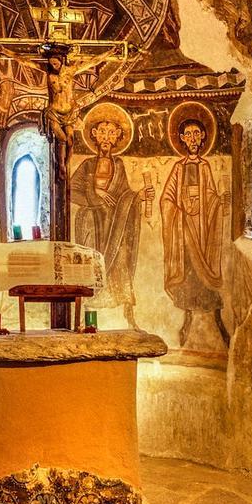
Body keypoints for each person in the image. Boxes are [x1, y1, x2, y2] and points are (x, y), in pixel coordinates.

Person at [71, 111, 152, 327]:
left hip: (115, 225)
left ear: (117, 137)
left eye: (111, 133)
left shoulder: (119, 166)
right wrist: (96, 197)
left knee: (121, 262)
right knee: (90, 266)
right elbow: (71, 190)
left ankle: (129, 315)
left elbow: (124, 194)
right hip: (91, 223)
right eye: (102, 133)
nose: (106, 138)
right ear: (95, 135)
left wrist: (138, 196)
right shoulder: (88, 165)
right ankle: (86, 316)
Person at [160, 116, 230, 347]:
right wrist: (179, 210)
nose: (192, 138)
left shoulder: (205, 166)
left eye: (196, 134)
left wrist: (217, 202)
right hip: (184, 231)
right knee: (188, 278)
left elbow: (210, 195)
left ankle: (220, 324)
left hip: (202, 232)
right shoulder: (178, 168)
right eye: (187, 134)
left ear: (202, 138)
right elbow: (166, 198)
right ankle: (186, 323)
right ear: (181, 139)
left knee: (206, 280)